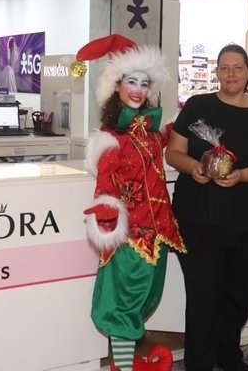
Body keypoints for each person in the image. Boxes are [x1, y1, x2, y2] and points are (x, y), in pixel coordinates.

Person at [165, 43, 248, 371]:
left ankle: (227, 355)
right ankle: (199, 363)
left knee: (238, 295)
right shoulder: (197, 106)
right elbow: (173, 152)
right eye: (224, 67)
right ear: (216, 72)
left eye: (237, 67)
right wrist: (194, 167)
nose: (231, 74)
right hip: (199, 219)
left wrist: (243, 175)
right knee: (203, 296)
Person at [79, 34, 186, 371]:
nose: (138, 90)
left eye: (144, 83)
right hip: (130, 238)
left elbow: (169, 139)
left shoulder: (151, 132)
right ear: (117, 86)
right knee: (124, 302)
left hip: (158, 233)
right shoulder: (111, 139)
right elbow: (105, 184)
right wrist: (106, 209)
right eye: (131, 82)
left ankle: (124, 364)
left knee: (146, 297)